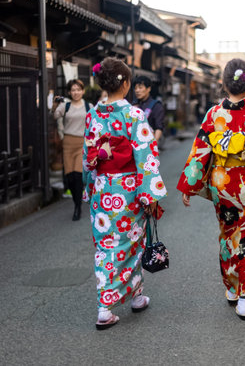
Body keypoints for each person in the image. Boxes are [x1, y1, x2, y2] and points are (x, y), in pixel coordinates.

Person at [177, 59, 245, 321]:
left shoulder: (214, 115)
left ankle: (231, 289)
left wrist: (189, 186)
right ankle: (244, 299)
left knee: (227, 234)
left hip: (223, 185)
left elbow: (200, 151)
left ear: (224, 83)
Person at [83, 58, 167, 330]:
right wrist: (150, 194)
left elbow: (88, 158)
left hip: (102, 189)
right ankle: (106, 307)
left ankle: (133, 296)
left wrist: (90, 188)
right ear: (127, 84)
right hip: (128, 190)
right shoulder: (133, 115)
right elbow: (146, 156)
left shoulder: (93, 115)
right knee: (130, 243)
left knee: (107, 245)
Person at [52, 79, 92, 221]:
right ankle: (77, 202)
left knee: (77, 176)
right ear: (69, 92)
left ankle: (77, 207)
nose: (76, 92)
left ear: (83, 91)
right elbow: (55, 115)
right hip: (68, 143)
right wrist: (55, 104)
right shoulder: (65, 106)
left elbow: (95, 124)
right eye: (73, 90)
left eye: (78, 89)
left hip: (83, 143)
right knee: (69, 178)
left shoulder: (89, 106)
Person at [133, 75, 165, 142]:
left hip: (148, 143)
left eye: (140, 87)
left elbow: (159, 127)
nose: (137, 90)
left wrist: (154, 144)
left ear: (148, 89)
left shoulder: (156, 106)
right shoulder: (133, 105)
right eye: (135, 88)